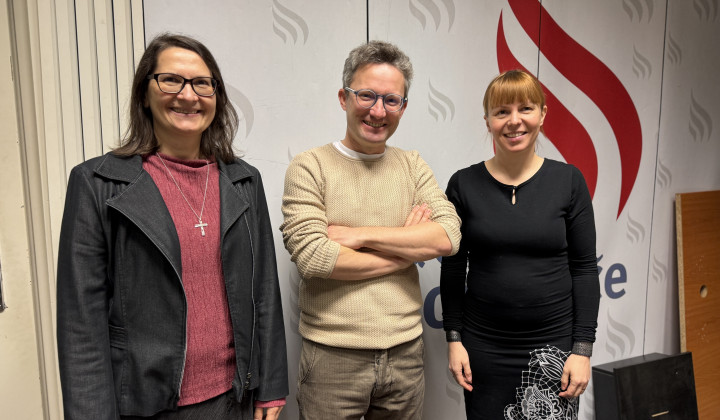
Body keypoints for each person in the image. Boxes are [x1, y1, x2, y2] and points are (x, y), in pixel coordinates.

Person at [56, 33, 288, 420]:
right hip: (146, 406)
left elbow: (263, 290)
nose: (188, 95)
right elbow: (82, 324)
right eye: (171, 80)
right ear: (144, 93)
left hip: (234, 400)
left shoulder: (244, 181)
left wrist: (272, 386)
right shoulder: (97, 183)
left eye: (202, 83)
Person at [280, 40, 462, 420]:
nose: (378, 111)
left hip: (406, 354)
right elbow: (315, 258)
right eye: (366, 95)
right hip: (333, 356)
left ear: (404, 107)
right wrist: (409, 251)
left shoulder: (412, 166)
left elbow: (448, 236)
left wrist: (359, 235)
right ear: (343, 98)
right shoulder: (309, 166)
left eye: (391, 100)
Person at [440, 69, 601, 420]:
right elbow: (453, 267)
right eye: (501, 112)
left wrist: (582, 349)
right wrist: (454, 339)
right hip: (484, 349)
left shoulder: (569, 181)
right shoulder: (463, 184)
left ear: (543, 114)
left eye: (525, 109)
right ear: (488, 121)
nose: (514, 121)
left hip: (553, 348)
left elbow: (585, 268)